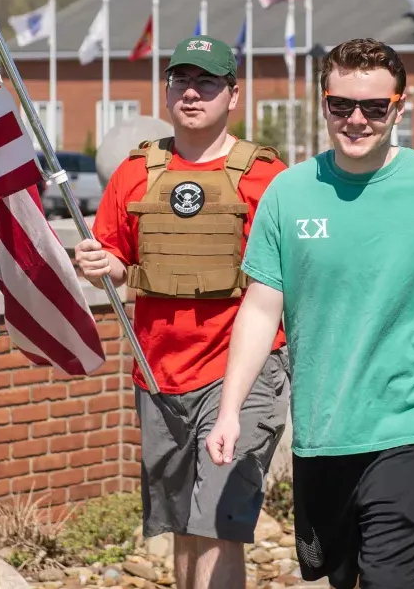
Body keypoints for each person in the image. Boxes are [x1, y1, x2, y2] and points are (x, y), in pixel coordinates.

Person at [205, 38, 414, 589]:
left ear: (398, 108)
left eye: (374, 108)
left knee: (388, 578)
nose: (356, 120)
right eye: (341, 106)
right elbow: (260, 308)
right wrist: (230, 408)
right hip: (324, 433)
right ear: (324, 104)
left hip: (412, 425)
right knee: (343, 577)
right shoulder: (290, 193)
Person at [75, 35, 289, 589]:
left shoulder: (269, 177)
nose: (192, 93)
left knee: (219, 521)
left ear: (233, 95)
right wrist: (99, 262)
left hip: (242, 371)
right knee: (184, 529)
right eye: (181, 81)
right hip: (159, 372)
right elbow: (116, 262)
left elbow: (296, 275)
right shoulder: (135, 172)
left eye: (207, 82)